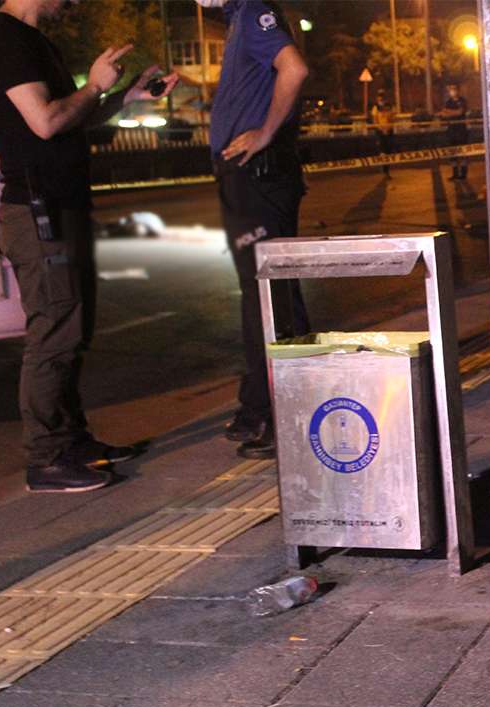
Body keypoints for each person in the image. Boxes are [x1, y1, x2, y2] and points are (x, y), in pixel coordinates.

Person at [0, 0, 177, 492]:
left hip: (61, 204)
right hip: (39, 211)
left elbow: (67, 120)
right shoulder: (2, 39)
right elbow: (44, 122)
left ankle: (71, 440)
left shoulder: (31, 39)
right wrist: (94, 85)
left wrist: (122, 99)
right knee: (54, 332)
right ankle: (45, 458)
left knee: (73, 327)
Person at [201, 0, 310, 459]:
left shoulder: (252, 12)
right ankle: (262, 404)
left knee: (267, 297)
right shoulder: (239, 18)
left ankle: (280, 413)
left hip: (258, 175)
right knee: (268, 294)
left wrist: (265, 131)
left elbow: (295, 69)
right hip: (251, 176)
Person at [438, 82, 469, 180]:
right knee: (452, 152)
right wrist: (451, 113)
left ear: (458, 90)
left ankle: (463, 174)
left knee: (463, 152)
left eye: (454, 89)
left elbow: (460, 112)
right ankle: (455, 173)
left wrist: (449, 112)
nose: (452, 91)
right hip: (451, 130)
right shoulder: (448, 101)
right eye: (450, 89)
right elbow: (443, 114)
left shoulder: (462, 100)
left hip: (461, 130)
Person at [372, 87, 394, 177]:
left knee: (388, 152)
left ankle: (386, 170)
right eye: (379, 96)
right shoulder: (375, 107)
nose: (381, 98)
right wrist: (381, 129)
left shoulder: (389, 106)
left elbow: (392, 119)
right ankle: (384, 169)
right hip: (380, 132)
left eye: (382, 96)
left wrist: (388, 128)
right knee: (382, 151)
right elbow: (375, 120)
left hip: (389, 131)